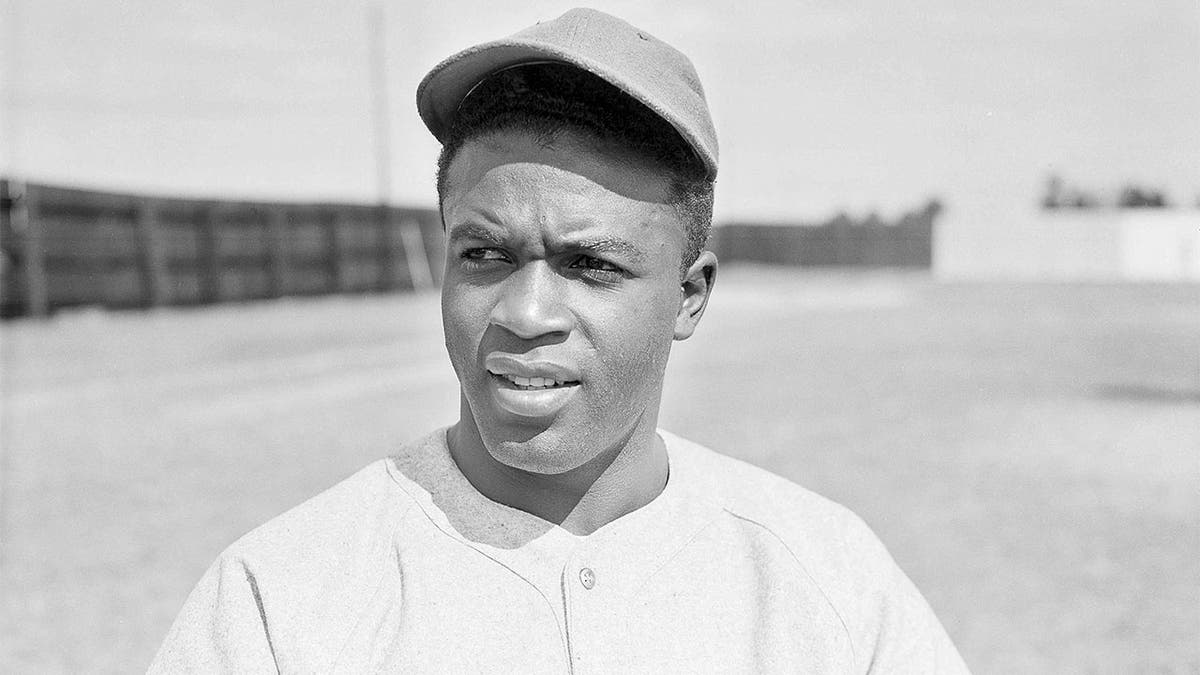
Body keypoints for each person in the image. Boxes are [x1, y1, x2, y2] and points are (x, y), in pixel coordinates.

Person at [150, 8, 969, 673]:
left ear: (688, 295)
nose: (525, 310)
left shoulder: (823, 582)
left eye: (591, 265)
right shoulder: (280, 603)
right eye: (485, 255)